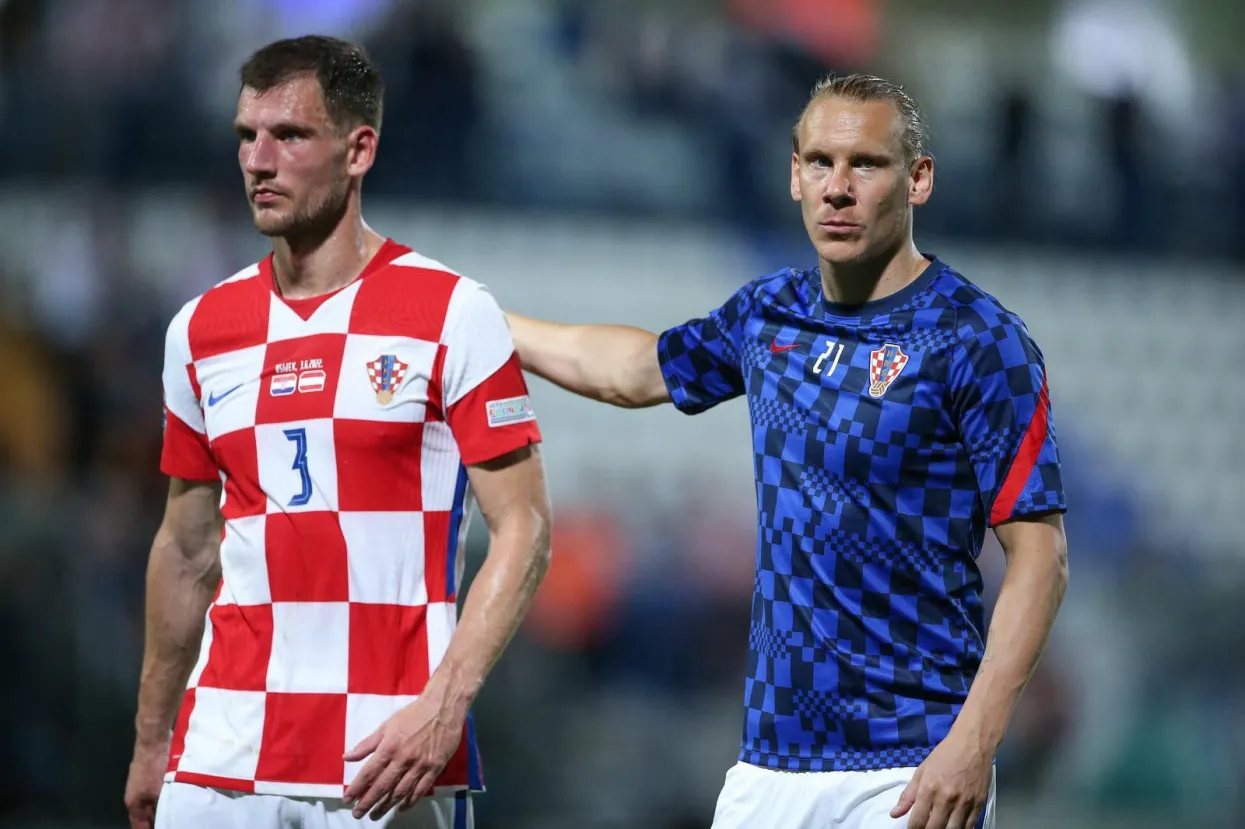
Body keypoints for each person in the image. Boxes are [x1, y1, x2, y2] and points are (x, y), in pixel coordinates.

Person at [507, 73, 1069, 829]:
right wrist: (483, 322)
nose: (838, 188)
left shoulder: (979, 340)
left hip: (911, 762)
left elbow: (1040, 557)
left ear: (918, 179)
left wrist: (975, 739)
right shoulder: (770, 314)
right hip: (769, 766)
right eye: (820, 163)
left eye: (865, 164)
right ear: (794, 176)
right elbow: (634, 372)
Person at [123, 35, 552, 829]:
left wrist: (445, 703)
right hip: (220, 755)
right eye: (246, 136)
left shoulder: (452, 312)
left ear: (358, 151)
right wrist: (153, 740)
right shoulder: (200, 330)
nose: (258, 161)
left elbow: (523, 526)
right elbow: (185, 548)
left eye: (289, 135)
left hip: (385, 759)